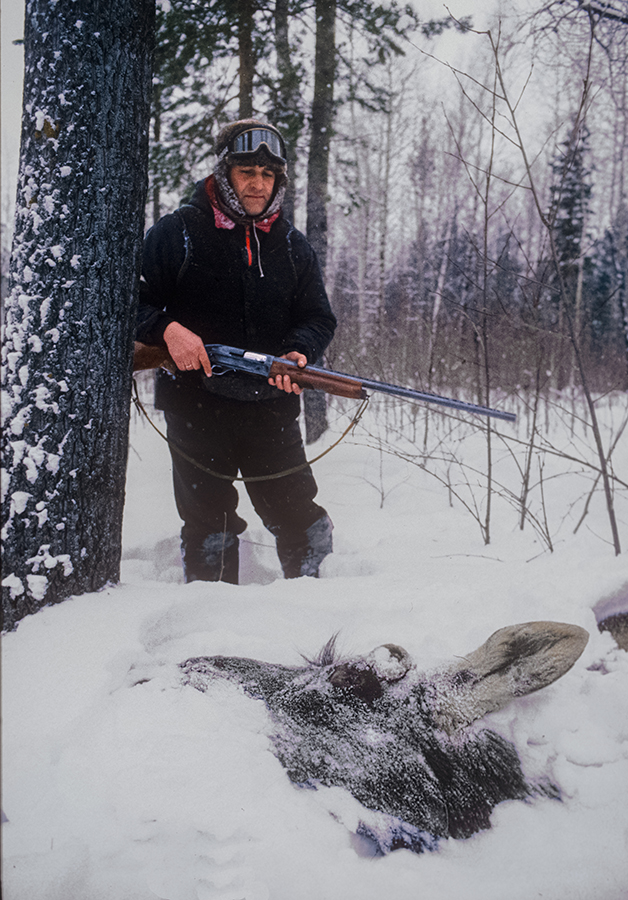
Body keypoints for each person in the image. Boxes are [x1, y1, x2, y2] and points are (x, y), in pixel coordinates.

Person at [136, 119, 337, 584]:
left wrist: (299, 352)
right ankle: (210, 620)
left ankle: (317, 608)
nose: (258, 184)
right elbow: (130, 301)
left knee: (299, 517)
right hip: (194, 405)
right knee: (210, 525)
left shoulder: (293, 246)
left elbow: (318, 318)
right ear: (224, 172)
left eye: (268, 174)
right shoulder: (177, 232)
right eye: (247, 171)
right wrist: (168, 331)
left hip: (271, 406)